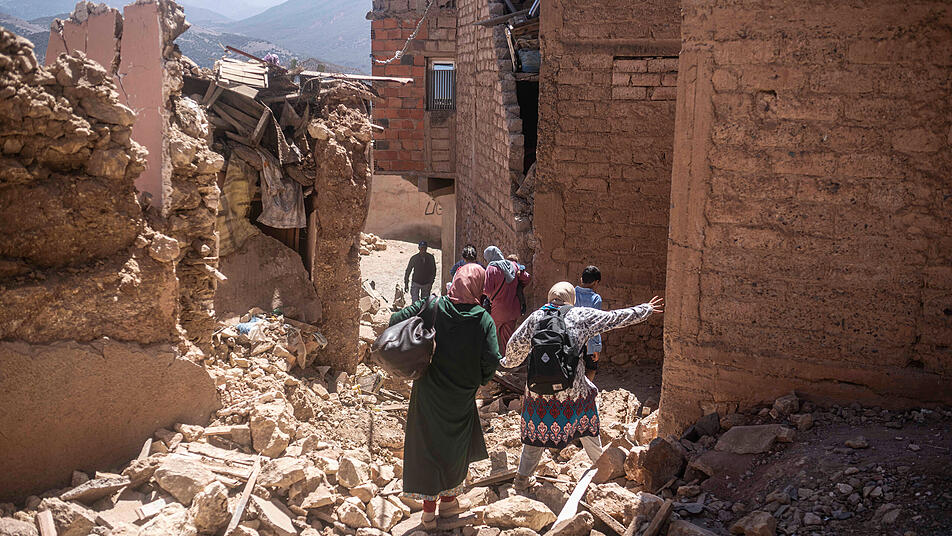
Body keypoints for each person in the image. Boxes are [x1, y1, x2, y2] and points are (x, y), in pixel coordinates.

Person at [502, 282, 663, 491]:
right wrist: (645, 309)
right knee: (587, 426)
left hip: (538, 392)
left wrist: (504, 363)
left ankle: (522, 478)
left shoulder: (535, 318)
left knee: (535, 436)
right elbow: (614, 318)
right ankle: (602, 468)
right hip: (573, 391)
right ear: (571, 298)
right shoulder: (581, 315)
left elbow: (513, 352)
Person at [391, 263, 502, 529]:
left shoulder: (434, 306)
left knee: (427, 446)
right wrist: (480, 380)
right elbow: (491, 359)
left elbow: (395, 321)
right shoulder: (483, 319)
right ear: (479, 286)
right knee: (454, 448)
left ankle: (429, 513)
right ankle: (449, 502)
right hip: (461, 396)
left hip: (428, 390)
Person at [483, 246, 531, 356]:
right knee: (508, 339)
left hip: (498, 310)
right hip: (513, 309)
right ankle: (509, 361)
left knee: (490, 336)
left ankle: (491, 360)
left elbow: (487, 290)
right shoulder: (513, 265)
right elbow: (527, 278)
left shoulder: (491, 268)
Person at [575, 266, 603, 381]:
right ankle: (587, 389)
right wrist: (595, 347)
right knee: (591, 368)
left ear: (581, 279)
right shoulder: (596, 299)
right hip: (588, 341)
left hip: (573, 340)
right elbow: (595, 324)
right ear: (596, 282)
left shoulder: (572, 293)